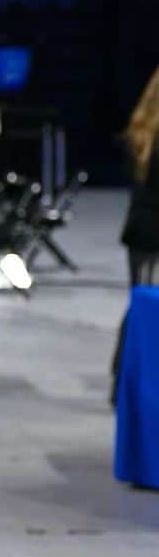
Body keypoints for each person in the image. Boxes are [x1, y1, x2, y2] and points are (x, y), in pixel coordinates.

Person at [113, 65, 159, 403]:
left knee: (140, 307)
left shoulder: (143, 129)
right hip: (153, 235)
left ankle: (123, 380)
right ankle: (128, 383)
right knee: (146, 309)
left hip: (141, 232)